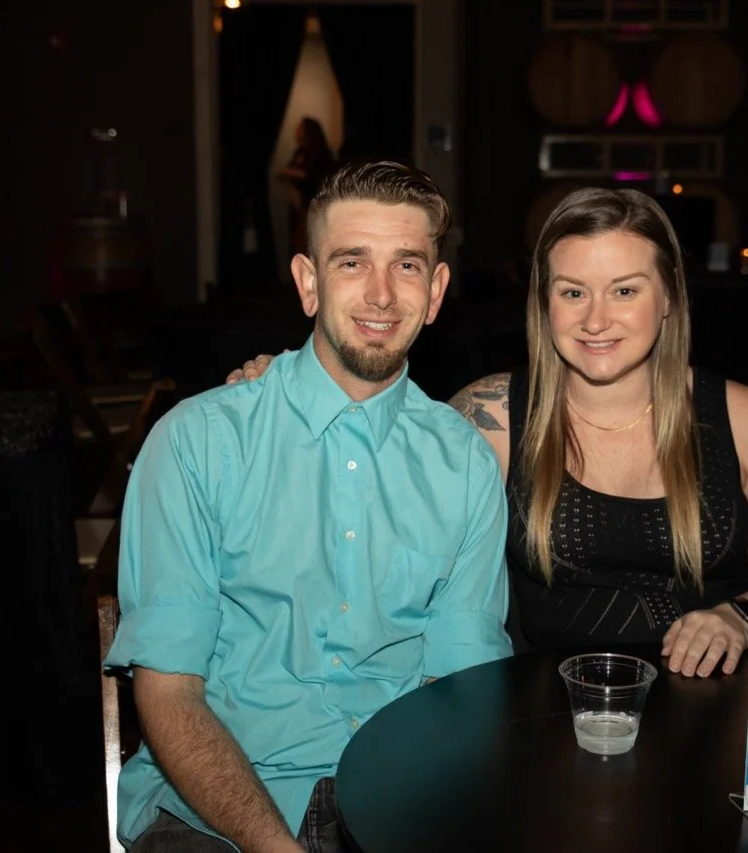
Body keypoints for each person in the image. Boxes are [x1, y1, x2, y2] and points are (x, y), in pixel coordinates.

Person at [229, 188, 748, 681]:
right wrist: (284, 389)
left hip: (716, 702)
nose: (596, 319)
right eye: (572, 292)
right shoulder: (492, 417)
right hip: (551, 712)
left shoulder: (743, 418)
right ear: (544, 303)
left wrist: (739, 617)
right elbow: (366, 480)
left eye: (625, 290)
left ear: (670, 296)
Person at [107, 159, 512, 852]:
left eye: (407, 265)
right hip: (215, 811)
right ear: (308, 282)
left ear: (436, 291)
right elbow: (169, 694)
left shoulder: (464, 462)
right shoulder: (198, 442)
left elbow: (463, 685)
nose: (381, 293)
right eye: (352, 262)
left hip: (398, 800)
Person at [276, 117, 336, 255]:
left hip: (309, 202)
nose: (296, 130)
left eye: (300, 127)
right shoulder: (299, 152)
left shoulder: (319, 153)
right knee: (296, 240)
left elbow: (318, 177)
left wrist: (296, 174)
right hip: (296, 205)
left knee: (307, 241)